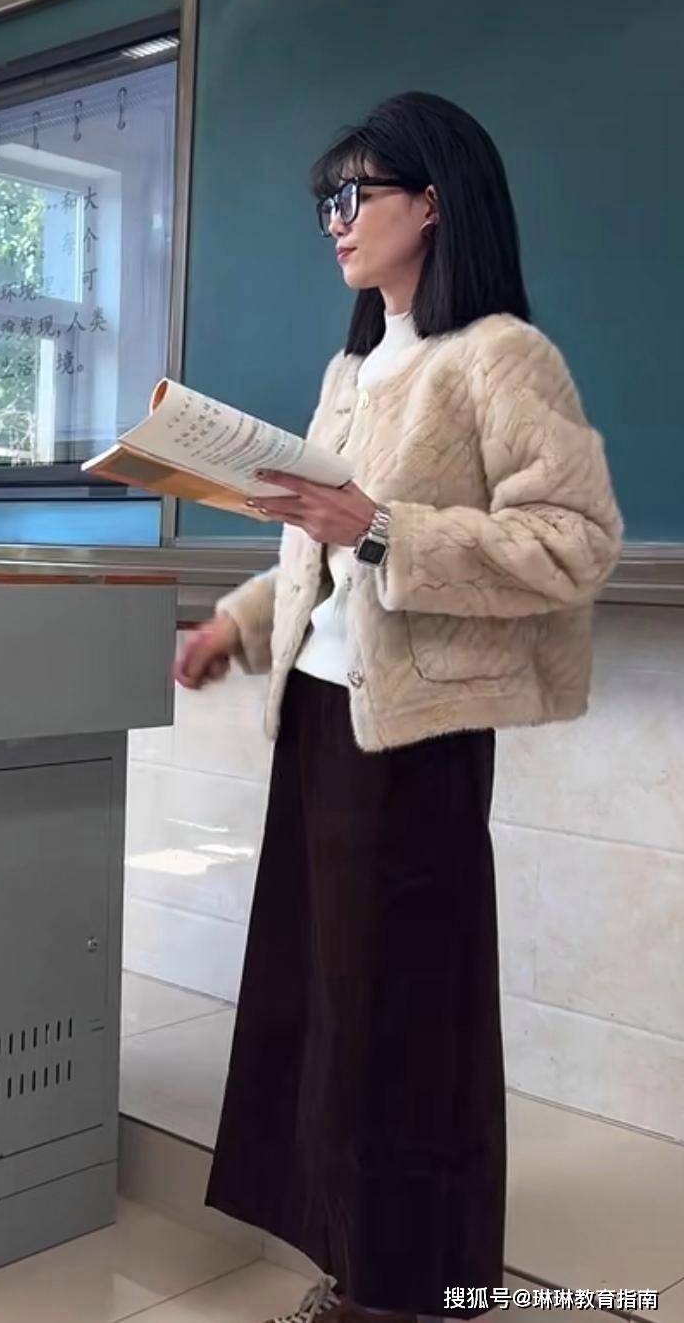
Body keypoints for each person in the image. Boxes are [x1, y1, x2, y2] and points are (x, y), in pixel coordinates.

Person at [174, 91, 623, 1323]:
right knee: (323, 1008)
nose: (335, 220)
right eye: (327, 200)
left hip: (417, 741)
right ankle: (356, 1265)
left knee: (403, 1021)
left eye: (355, 194)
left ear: (432, 202)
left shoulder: (499, 358)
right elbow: (316, 555)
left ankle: (415, 1288)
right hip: (322, 724)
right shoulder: (353, 366)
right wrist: (235, 627)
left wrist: (381, 526)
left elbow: (575, 540)